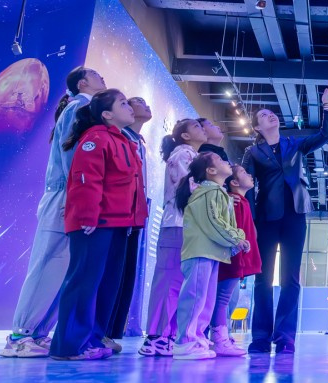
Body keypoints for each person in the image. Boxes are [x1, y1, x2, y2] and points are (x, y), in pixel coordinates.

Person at [2, 67, 106, 358]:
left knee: (63, 268)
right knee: (48, 264)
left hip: (72, 194)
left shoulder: (85, 108)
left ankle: (38, 333)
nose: (102, 78)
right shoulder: (79, 107)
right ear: (83, 83)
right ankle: (19, 335)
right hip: (65, 194)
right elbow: (74, 156)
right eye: (96, 75)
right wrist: (81, 194)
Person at [49, 90, 147, 360]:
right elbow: (85, 179)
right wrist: (87, 216)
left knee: (106, 284)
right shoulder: (96, 138)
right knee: (84, 281)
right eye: (123, 103)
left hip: (118, 223)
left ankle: (93, 339)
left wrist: (135, 219)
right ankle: (69, 346)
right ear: (107, 114)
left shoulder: (124, 141)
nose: (130, 107)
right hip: (95, 224)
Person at [242, 82, 328, 354]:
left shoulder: (295, 144)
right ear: (257, 128)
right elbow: (248, 187)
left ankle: (285, 337)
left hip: (295, 215)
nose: (270, 115)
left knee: (290, 278)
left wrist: (326, 105)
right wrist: (250, 222)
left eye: (271, 113)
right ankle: (260, 337)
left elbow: (325, 135)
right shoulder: (252, 152)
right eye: (263, 115)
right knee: (262, 278)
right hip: (265, 219)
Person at [138, 118, 207, 357]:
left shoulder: (193, 156)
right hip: (177, 224)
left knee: (179, 283)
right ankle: (157, 336)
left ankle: (169, 336)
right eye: (196, 127)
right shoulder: (183, 154)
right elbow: (189, 189)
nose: (202, 129)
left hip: (187, 225)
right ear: (185, 136)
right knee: (169, 280)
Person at [173, 152, 250, 360]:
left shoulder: (217, 192)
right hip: (200, 252)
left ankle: (197, 338)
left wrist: (235, 239)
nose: (227, 162)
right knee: (195, 297)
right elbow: (213, 221)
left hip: (211, 253)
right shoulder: (208, 192)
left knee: (206, 300)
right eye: (221, 160)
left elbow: (218, 222)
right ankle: (185, 342)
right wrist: (236, 238)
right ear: (211, 170)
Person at [104, 96, 153, 350]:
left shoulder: (139, 142)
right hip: (118, 210)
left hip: (135, 211)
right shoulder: (118, 137)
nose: (145, 105)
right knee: (113, 270)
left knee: (127, 271)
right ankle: (101, 329)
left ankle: (113, 330)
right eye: (135, 102)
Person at [210, 164, 261, 356]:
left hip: (236, 257)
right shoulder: (235, 202)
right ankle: (220, 339)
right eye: (244, 173)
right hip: (232, 258)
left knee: (225, 298)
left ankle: (222, 336)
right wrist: (238, 256)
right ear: (234, 182)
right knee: (223, 298)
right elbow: (234, 231)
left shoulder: (242, 202)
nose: (250, 175)